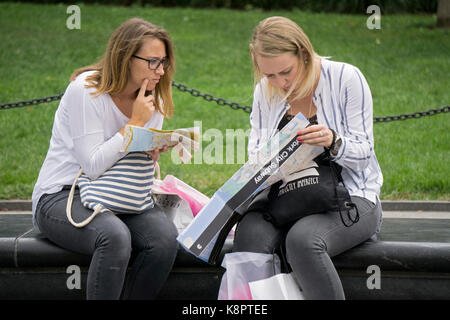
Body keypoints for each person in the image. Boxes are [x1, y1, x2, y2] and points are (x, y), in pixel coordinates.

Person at [233, 16, 383, 300]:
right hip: (286, 196)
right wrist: (265, 161)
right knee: (249, 236)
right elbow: (255, 156)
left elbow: (365, 156)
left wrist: (333, 141)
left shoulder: (347, 78)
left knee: (303, 241)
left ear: (304, 53)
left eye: (286, 71)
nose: (281, 82)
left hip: (352, 196)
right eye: (270, 76)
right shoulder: (265, 92)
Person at [32, 18, 179, 300]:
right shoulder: (86, 90)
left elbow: (127, 163)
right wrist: (134, 126)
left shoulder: (151, 100)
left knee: (163, 240)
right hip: (63, 194)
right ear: (125, 57)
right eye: (152, 62)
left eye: (163, 62)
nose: (160, 70)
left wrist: (151, 150)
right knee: (113, 237)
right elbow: (93, 165)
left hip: (119, 194)